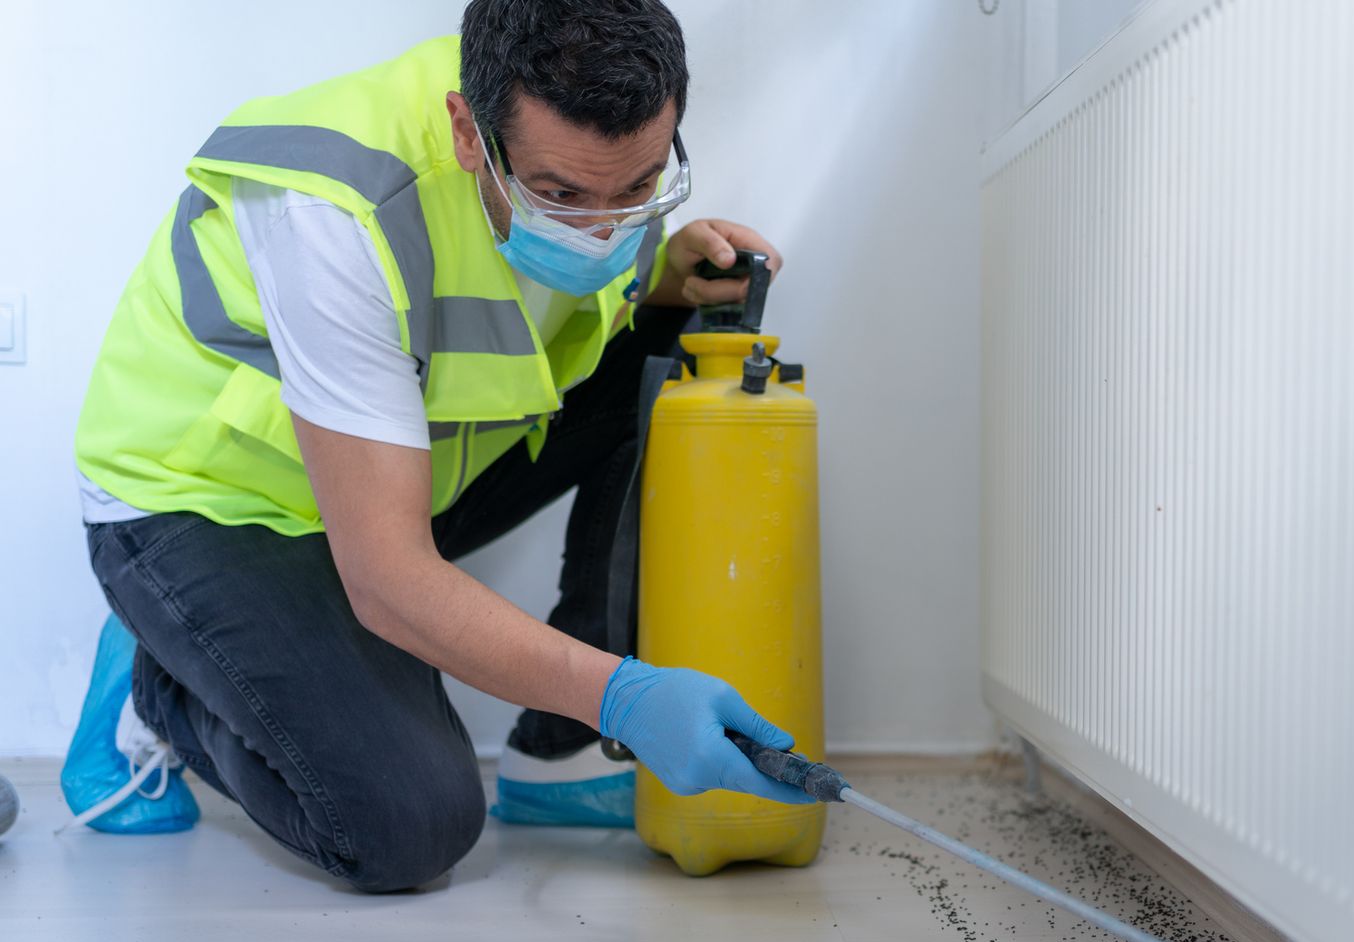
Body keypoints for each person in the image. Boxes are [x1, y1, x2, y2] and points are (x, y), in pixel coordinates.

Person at [62, 0, 811, 891]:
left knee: (670, 352)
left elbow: (561, 299)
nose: (604, 228)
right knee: (406, 822)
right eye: (562, 196)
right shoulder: (335, 206)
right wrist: (627, 692)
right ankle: (167, 683)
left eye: (638, 187)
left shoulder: (599, 157)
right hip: (209, 500)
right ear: (468, 133)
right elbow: (386, 577)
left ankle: (558, 752)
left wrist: (660, 277)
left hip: (390, 476)